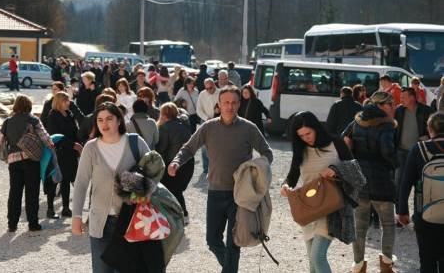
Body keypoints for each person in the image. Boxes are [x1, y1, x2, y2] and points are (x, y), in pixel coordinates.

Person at [169, 85, 273, 273]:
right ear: (219, 104)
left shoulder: (249, 128)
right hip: (215, 192)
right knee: (212, 240)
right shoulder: (208, 127)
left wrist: (255, 171)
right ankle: (229, 268)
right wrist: (176, 162)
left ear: (239, 104)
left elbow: (267, 153)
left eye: (234, 102)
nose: (230, 106)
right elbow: (188, 148)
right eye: (226, 102)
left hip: (240, 195)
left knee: (234, 242)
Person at [281, 111, 364, 273]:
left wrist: (335, 170)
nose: (306, 138)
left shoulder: (336, 143)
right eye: (301, 135)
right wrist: (285, 186)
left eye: (308, 133)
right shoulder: (301, 149)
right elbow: (292, 175)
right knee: (312, 264)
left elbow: (357, 172)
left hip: (332, 209)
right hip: (309, 209)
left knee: (317, 257)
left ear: (316, 128)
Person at [72, 102, 150, 273]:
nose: (104, 124)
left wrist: (141, 188)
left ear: (119, 121)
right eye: (100, 120)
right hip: (100, 222)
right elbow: (81, 183)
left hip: (132, 220)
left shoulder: (136, 143)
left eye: (109, 119)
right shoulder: (91, 148)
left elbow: (154, 173)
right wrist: (76, 216)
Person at [342, 91, 398, 273]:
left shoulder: (357, 120)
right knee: (388, 224)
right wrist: (398, 164)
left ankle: (359, 266)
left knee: (360, 227)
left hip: (360, 180)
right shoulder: (386, 124)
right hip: (381, 181)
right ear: (380, 105)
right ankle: (386, 265)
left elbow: (343, 139)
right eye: (390, 104)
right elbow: (387, 152)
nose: (393, 107)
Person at [0, 94, 54, 232]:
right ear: (29, 106)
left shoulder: (7, 121)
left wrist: (6, 157)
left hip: (14, 161)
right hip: (31, 160)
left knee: (15, 192)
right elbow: (45, 137)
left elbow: (0, 142)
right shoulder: (33, 120)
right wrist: (51, 146)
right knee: (32, 192)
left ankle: (12, 224)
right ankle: (33, 224)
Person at [397, 112, 444, 272]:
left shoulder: (419, 149)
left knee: (427, 260)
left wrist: (402, 211)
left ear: (429, 129)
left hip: (424, 214)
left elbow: (405, 182)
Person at [46, 92, 83, 218]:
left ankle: (66, 208)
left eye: (68, 101)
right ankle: (50, 209)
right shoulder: (52, 115)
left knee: (66, 180)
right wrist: (74, 145)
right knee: (55, 180)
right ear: (58, 102)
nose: (68, 103)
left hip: (70, 153)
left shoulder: (70, 114)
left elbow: (75, 132)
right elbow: (54, 136)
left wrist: (79, 143)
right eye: (65, 101)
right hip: (58, 152)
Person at [394, 87, 432, 208]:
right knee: (399, 183)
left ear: (412, 97)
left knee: (419, 184)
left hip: (419, 152)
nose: (401, 99)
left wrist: (428, 137)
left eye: (403, 97)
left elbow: (436, 128)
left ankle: (418, 213)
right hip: (401, 152)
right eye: (401, 97)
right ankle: (400, 212)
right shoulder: (399, 110)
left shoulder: (426, 110)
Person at [156, 102, 194, 225]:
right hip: (187, 162)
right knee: (177, 190)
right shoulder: (185, 124)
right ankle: (179, 215)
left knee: (172, 190)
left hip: (172, 164)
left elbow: (161, 148)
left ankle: (182, 214)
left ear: (164, 115)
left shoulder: (165, 127)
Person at [196, 78, 220, 174]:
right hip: (205, 121)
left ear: (214, 85)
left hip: (219, 121)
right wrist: (206, 118)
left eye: (210, 87)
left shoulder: (221, 92)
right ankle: (206, 168)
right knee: (204, 145)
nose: (209, 90)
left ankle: (217, 166)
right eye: (207, 88)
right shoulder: (202, 94)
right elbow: (199, 110)